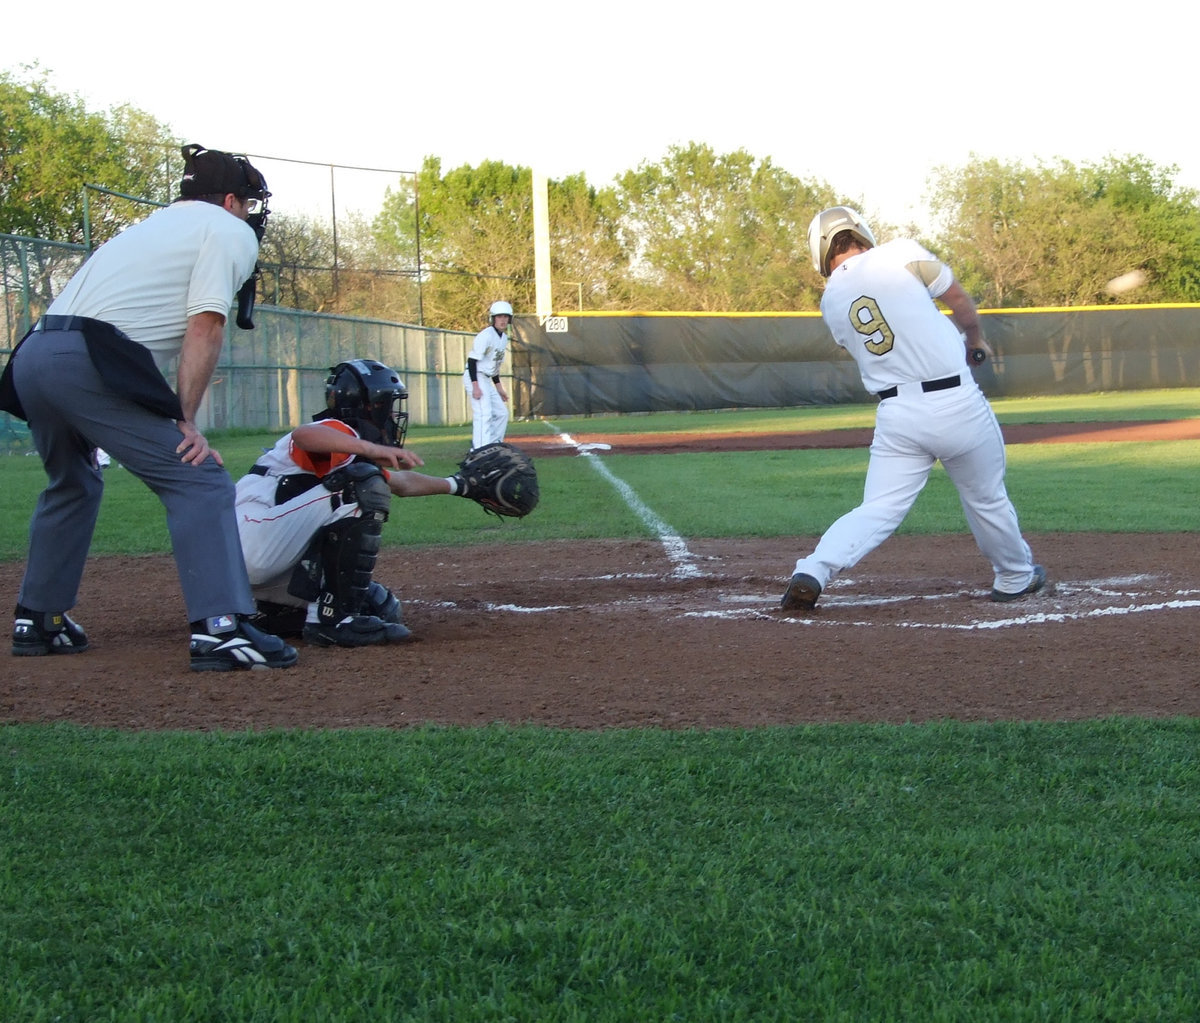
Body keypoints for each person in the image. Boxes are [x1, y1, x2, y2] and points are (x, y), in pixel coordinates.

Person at [0, 143, 298, 671]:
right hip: (83, 358)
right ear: (230, 199)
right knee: (198, 476)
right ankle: (220, 629)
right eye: (247, 203)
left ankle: (38, 619)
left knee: (73, 482)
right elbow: (205, 324)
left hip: (33, 355)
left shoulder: (148, 228)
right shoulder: (228, 230)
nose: (249, 214)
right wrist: (186, 419)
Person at [781, 206, 1046, 611]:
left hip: (897, 413)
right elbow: (957, 299)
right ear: (861, 232)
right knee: (985, 498)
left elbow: (861, 341)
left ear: (820, 252)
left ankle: (814, 569)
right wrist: (974, 339)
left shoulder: (831, 300)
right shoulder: (900, 252)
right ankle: (1013, 578)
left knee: (878, 508)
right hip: (956, 402)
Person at [237, 358, 503, 646]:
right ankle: (333, 620)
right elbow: (304, 435)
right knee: (360, 486)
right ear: (369, 405)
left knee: (378, 606)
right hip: (251, 542)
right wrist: (367, 446)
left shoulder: (346, 450)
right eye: (387, 404)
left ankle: (275, 611)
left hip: (255, 561)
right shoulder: (336, 429)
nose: (392, 414)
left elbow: (400, 483)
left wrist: (459, 485)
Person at [464, 300, 512, 448]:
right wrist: (475, 387)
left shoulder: (503, 338)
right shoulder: (485, 335)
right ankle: (478, 451)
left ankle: (493, 447)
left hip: (485, 378)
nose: (503, 320)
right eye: (499, 317)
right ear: (493, 318)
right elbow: (472, 361)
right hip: (475, 376)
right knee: (484, 414)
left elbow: (494, 366)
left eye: (505, 316)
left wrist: (499, 388)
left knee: (502, 413)